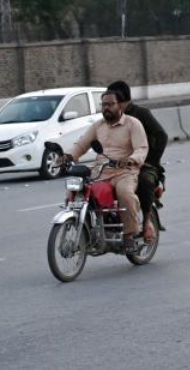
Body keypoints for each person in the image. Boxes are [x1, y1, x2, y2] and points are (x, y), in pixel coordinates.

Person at [60, 90, 149, 252]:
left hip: (125, 172)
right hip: (100, 172)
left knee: (125, 194)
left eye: (110, 104)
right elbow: (81, 145)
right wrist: (67, 156)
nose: (106, 108)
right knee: (77, 193)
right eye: (103, 105)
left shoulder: (132, 124)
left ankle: (129, 234)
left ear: (120, 105)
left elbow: (141, 148)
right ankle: (85, 229)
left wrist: (131, 159)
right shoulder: (98, 126)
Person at [104, 81, 168, 240]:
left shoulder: (142, 114)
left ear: (123, 101)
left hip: (144, 165)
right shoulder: (111, 117)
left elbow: (162, 136)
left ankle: (146, 223)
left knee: (144, 181)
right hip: (118, 165)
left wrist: (150, 161)